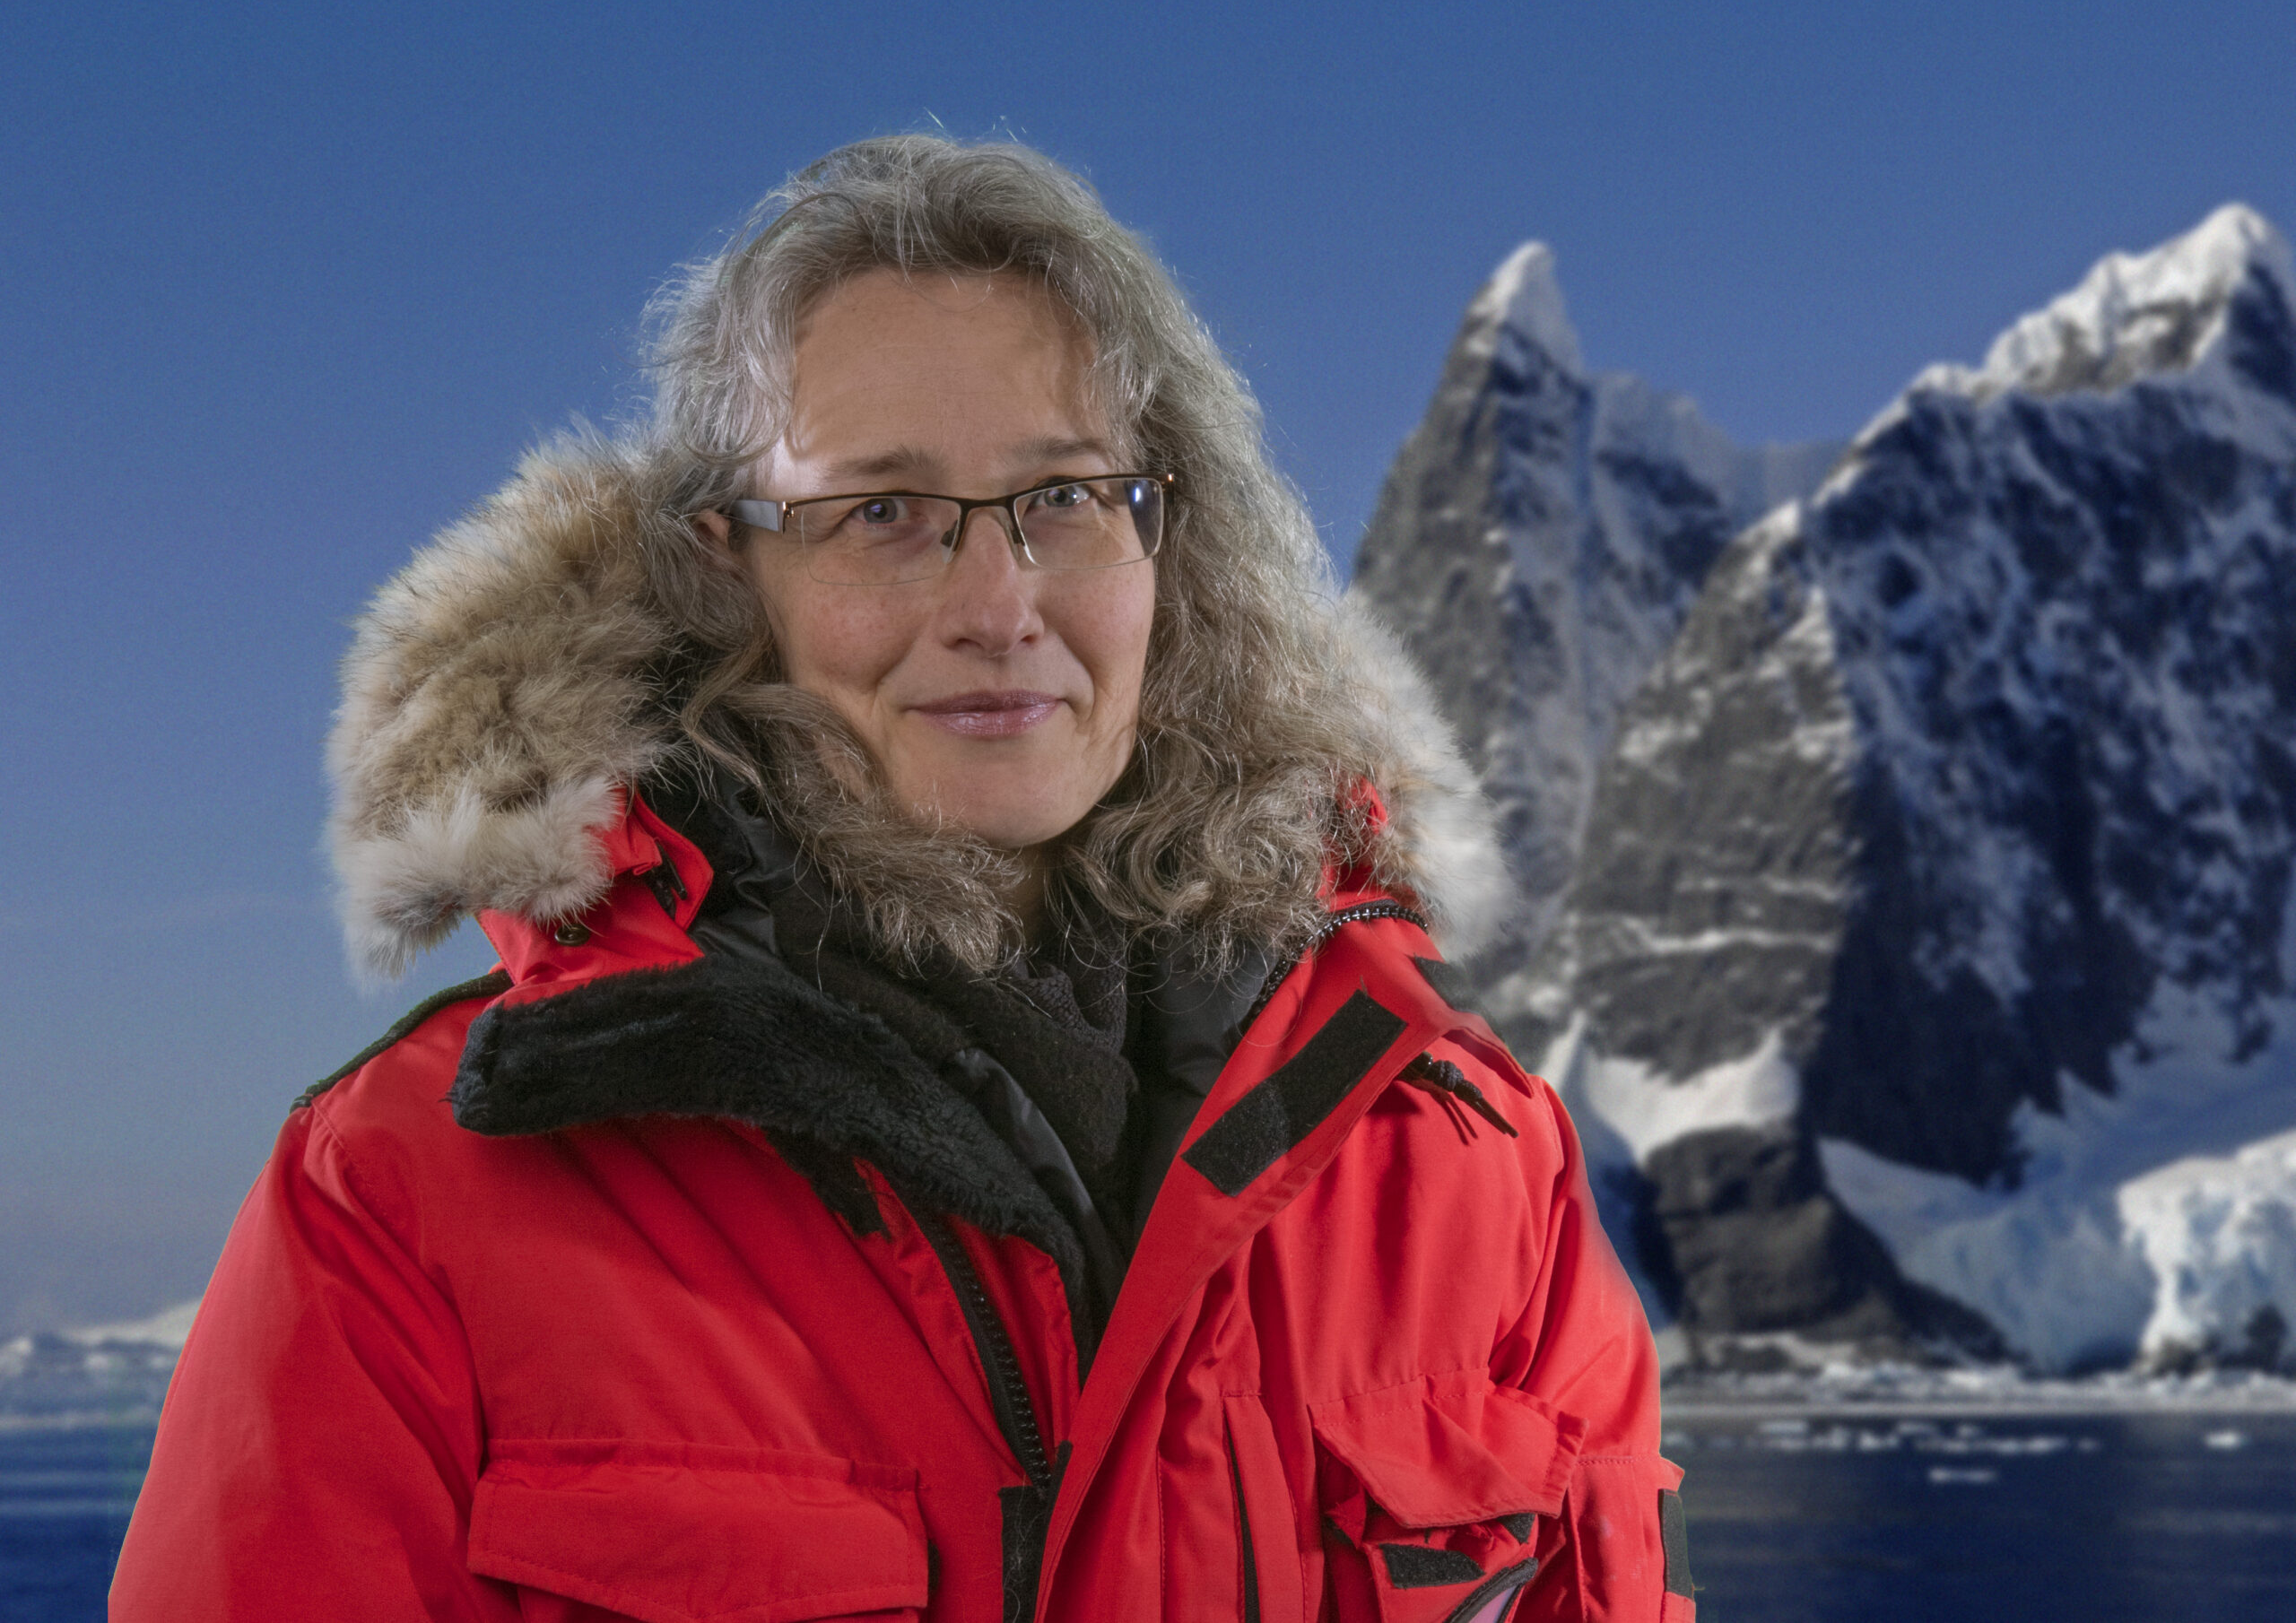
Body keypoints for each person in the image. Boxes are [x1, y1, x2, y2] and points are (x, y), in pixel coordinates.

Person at [112, 136, 1692, 1622]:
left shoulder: (1473, 1168)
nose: (998, 602)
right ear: (725, 564)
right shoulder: (410, 1197)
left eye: (1068, 497)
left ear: (1173, 546)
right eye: (883, 512)